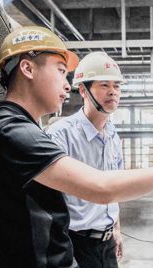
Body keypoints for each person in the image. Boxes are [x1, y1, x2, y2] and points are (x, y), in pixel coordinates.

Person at [0, 26, 153, 268]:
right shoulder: (12, 132)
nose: (66, 85)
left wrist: (114, 227)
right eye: (61, 71)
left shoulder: (21, 129)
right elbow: (102, 188)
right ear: (27, 68)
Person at [46, 52, 125, 268]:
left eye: (116, 86)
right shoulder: (61, 135)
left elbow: (114, 189)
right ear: (83, 90)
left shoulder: (113, 135)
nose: (112, 92)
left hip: (107, 245)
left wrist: (116, 230)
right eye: (104, 85)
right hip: (74, 245)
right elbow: (46, 201)